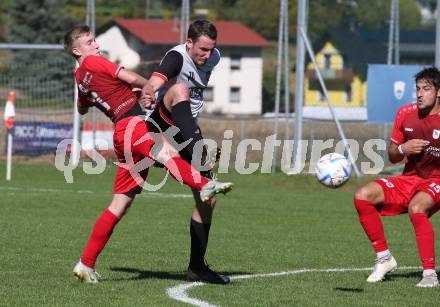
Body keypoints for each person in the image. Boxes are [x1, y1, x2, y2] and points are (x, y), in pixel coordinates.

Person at [64, 25, 233, 283]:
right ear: (77, 50)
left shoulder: (80, 78)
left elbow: (82, 107)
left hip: (122, 133)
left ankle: (85, 264)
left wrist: (113, 95)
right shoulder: (96, 62)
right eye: (90, 42)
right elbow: (131, 77)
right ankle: (205, 184)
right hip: (134, 125)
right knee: (166, 153)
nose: (96, 45)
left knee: (120, 204)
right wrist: (146, 89)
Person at [140, 20, 229, 284]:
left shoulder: (214, 58)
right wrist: (149, 91)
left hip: (186, 132)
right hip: (159, 127)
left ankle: (197, 267)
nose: (206, 54)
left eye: (211, 49)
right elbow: (157, 79)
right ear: (189, 42)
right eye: (202, 49)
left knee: (208, 197)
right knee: (178, 90)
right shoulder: (176, 57)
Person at [354, 67, 440, 288]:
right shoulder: (405, 113)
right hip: (410, 179)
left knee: (417, 208)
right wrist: (404, 148)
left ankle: (429, 274)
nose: (420, 94)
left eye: (426, 89)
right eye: (418, 89)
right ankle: (384, 257)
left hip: (437, 180)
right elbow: (392, 156)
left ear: (438, 92)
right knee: (362, 195)